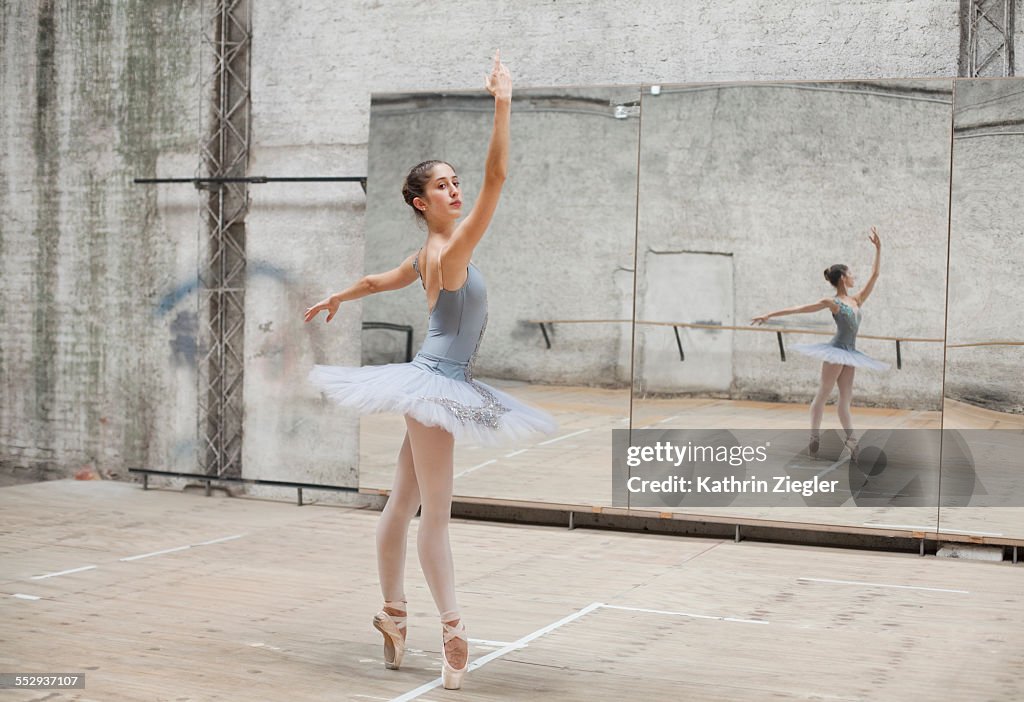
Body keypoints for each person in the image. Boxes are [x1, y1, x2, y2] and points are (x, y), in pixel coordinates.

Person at [303, 50, 556, 690]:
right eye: (442, 185)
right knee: (435, 516)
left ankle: (392, 613)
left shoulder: (426, 253)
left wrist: (341, 296)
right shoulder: (452, 245)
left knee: (404, 502)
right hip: (436, 385)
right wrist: (503, 101)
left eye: (455, 181)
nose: (457, 188)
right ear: (420, 201)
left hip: (435, 382)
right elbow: (498, 178)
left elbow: (374, 278)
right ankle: (453, 628)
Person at [751, 227, 887, 460]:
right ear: (843, 278)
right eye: (851, 273)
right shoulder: (832, 302)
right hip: (835, 352)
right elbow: (799, 308)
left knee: (845, 399)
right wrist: (769, 315)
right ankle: (814, 436)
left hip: (850, 353)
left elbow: (875, 275)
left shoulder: (857, 299)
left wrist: (879, 249)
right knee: (823, 394)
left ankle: (853, 443)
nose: (854, 277)